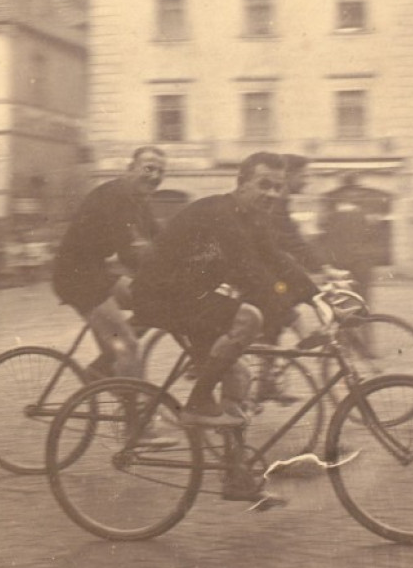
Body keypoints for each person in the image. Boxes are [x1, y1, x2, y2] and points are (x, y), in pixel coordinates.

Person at [130, 152, 323, 429]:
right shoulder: (222, 214)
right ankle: (197, 403)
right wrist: (292, 317)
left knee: (240, 378)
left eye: (278, 187)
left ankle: (234, 468)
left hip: (191, 297)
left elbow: (277, 260)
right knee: (248, 318)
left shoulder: (254, 217)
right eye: (264, 184)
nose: (272, 193)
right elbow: (252, 272)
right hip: (160, 296)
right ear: (242, 183)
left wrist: (317, 298)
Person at [51, 146, 167, 380]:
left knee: (158, 306)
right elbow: (129, 254)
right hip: (77, 278)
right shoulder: (116, 196)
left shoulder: (138, 200)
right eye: (148, 168)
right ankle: (135, 413)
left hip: (97, 272)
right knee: (129, 346)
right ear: (130, 169)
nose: (155, 176)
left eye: (160, 171)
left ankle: (101, 369)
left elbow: (161, 241)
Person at [322, 173, 378, 307]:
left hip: (341, 265)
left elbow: (327, 240)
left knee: (341, 303)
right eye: (354, 191)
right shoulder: (362, 214)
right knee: (362, 303)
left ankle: (349, 326)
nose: (356, 194)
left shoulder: (333, 215)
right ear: (350, 192)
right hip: (359, 265)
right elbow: (370, 237)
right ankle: (361, 325)